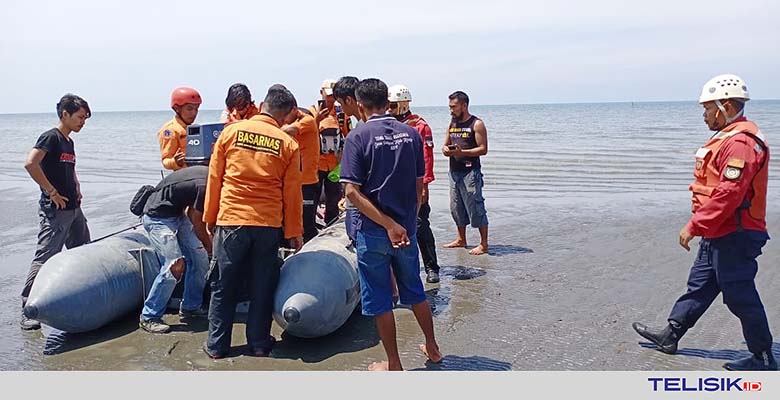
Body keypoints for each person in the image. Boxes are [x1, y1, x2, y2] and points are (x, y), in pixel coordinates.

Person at [632, 74, 776, 371]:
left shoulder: (740, 144)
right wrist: (704, 225)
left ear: (725, 105)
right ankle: (670, 335)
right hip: (719, 230)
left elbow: (729, 193)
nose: (705, 115)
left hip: (736, 233)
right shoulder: (727, 138)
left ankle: (762, 355)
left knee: (739, 293)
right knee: (699, 285)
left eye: (708, 108)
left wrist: (694, 224)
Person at [340, 78, 442, 371]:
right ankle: (433, 348)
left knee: (381, 298)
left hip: (373, 231)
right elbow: (419, 188)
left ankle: (394, 364)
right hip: (405, 231)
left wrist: (387, 225)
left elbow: (351, 192)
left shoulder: (358, 137)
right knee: (415, 291)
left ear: (360, 105)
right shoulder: (411, 134)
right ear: (388, 102)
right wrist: (404, 225)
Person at [203, 86, 303, 359]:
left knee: (224, 285)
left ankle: (216, 346)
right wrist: (295, 232)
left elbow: (215, 179)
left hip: (231, 219)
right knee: (262, 285)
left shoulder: (231, 132)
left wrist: (209, 218)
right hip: (267, 225)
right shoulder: (288, 144)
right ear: (285, 116)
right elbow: (292, 193)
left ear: (261, 105)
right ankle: (258, 343)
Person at [20, 94, 92, 330]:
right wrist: (51, 191)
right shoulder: (51, 137)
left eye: (85, 118)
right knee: (46, 257)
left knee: (83, 252)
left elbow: (69, 167)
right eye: (80, 117)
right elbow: (31, 163)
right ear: (65, 115)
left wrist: (77, 186)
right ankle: (28, 308)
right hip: (56, 210)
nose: (83, 122)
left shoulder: (68, 142)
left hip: (74, 208)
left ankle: (83, 297)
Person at [138, 165, 212, 333]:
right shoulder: (204, 185)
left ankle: (190, 307)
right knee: (175, 265)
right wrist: (208, 243)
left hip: (178, 215)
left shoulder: (210, 177)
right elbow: (197, 219)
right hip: (156, 217)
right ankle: (149, 316)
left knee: (200, 259)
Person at [388, 84, 440, 283]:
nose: (390, 110)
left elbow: (427, 158)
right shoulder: (388, 124)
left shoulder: (419, 126)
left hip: (415, 184)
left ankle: (431, 267)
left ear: (402, 105)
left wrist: (425, 186)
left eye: (393, 106)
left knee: (420, 225)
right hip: (395, 185)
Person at [442, 91, 489, 255]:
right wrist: (446, 150)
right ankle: (461, 239)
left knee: (475, 206)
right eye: (450, 107)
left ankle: (484, 243)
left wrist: (464, 152)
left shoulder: (476, 124)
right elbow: (445, 144)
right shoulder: (452, 123)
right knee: (456, 207)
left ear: (464, 105)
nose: (451, 110)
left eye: (454, 107)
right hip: (454, 171)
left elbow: (483, 149)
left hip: (471, 172)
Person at [282, 101, 321, 242]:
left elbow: (288, 131)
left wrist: (267, 127)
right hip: (294, 181)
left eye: (285, 114)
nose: (283, 118)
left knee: (307, 223)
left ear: (293, 110)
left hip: (307, 182)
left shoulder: (307, 121)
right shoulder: (293, 121)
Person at [315, 79, 345, 226]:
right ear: (322, 93)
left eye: (334, 96)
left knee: (333, 199)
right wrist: (316, 120)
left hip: (335, 165)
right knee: (312, 198)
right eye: (329, 95)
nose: (331, 99)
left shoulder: (341, 115)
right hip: (317, 164)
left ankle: (331, 224)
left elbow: (349, 136)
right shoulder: (312, 112)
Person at [158, 87, 202, 171]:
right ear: (177, 108)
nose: (194, 113)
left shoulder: (195, 129)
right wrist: (175, 162)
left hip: (198, 173)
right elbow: (165, 160)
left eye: (196, 109)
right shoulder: (170, 130)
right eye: (189, 109)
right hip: (183, 177)